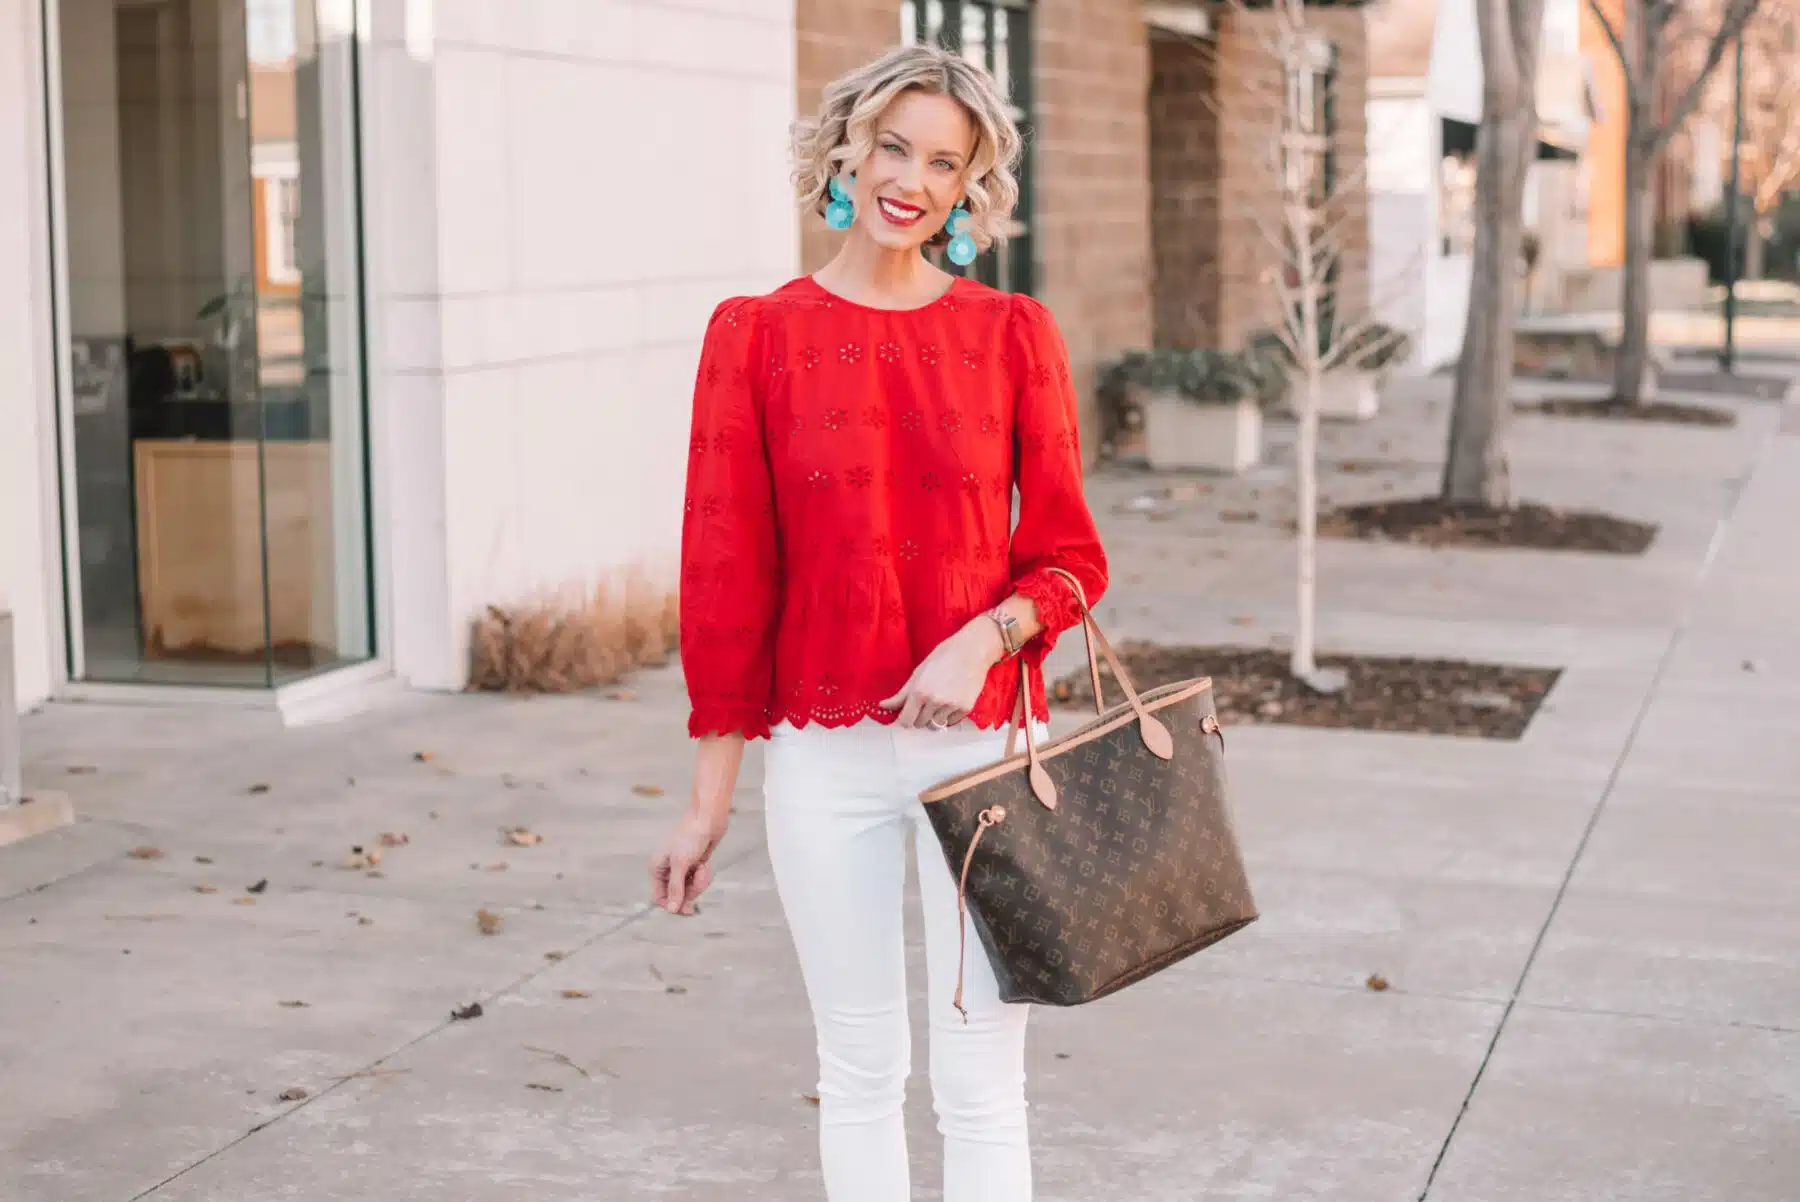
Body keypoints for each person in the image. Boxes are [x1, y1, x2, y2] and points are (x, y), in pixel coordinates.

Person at [649, 44, 1107, 1202]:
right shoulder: (755, 335)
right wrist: (708, 801)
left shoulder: (1014, 336)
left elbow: (1071, 561)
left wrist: (983, 637)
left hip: (987, 754)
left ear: (968, 189)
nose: (910, 179)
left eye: (943, 163)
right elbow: (726, 581)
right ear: (846, 146)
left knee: (981, 1080)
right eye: (893, 145)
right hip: (824, 757)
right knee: (858, 1069)